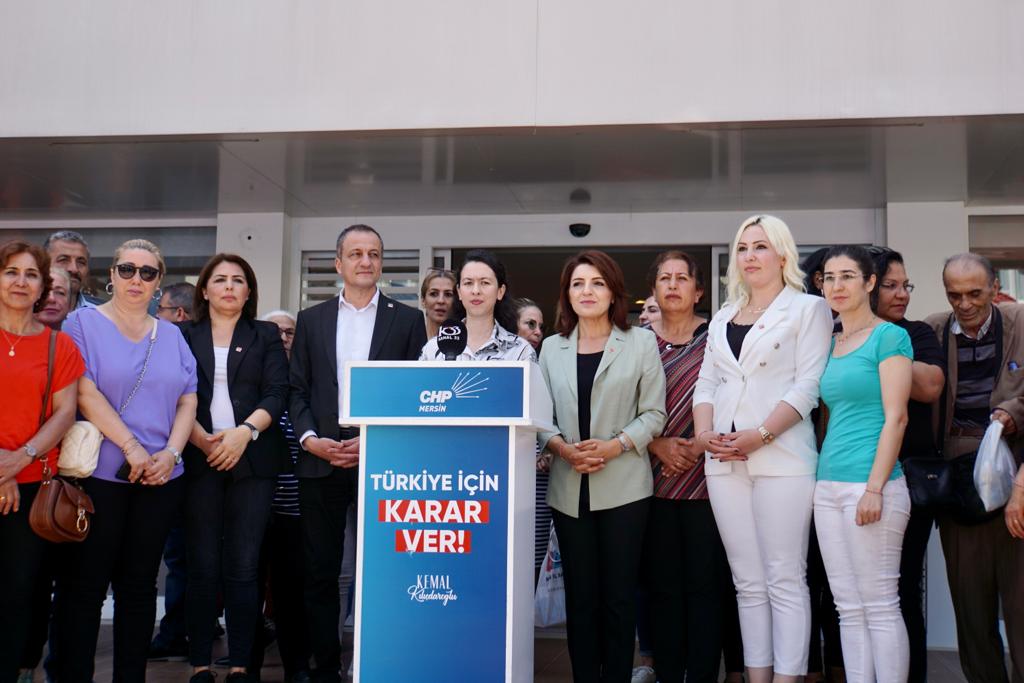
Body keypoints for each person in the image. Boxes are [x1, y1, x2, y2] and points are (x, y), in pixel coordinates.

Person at [693, 214, 833, 683]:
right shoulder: (722, 316)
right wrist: (704, 435)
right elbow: (707, 383)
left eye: (760, 246)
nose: (750, 256)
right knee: (747, 583)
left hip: (783, 458)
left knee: (785, 579)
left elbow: (808, 386)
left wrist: (761, 435)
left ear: (782, 254)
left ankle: (788, 678)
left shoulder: (808, 309)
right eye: (743, 248)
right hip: (723, 461)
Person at [55, 239, 198, 683]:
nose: (137, 279)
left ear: (159, 282)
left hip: (160, 478)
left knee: (139, 588)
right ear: (112, 274)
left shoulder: (172, 335)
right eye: (127, 269)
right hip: (98, 476)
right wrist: (132, 447)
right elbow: (84, 390)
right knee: (85, 587)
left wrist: (171, 453)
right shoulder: (81, 323)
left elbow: (188, 399)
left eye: (147, 272)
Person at [289, 224, 426, 683]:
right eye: (355, 253)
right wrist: (310, 439)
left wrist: (373, 439)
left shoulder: (407, 320)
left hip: (383, 459)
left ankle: (379, 661)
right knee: (320, 572)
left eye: (373, 254)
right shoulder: (311, 319)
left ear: (381, 263)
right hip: (320, 457)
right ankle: (325, 667)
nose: (365, 261)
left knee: (384, 569)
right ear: (338, 263)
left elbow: (412, 394)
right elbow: (297, 389)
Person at [538, 249, 667, 682]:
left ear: (613, 292)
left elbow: (654, 413)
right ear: (567, 294)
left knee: (618, 598)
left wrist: (615, 446)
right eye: (578, 284)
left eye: (597, 283)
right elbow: (540, 417)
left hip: (625, 488)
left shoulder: (640, 342)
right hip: (568, 486)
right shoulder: (551, 349)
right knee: (581, 599)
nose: (587, 291)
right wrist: (562, 448)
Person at [178, 254, 289, 683]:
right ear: (204, 290)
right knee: (202, 566)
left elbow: (277, 392)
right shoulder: (182, 335)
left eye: (238, 280)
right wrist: (200, 438)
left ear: (248, 291)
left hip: (253, 459)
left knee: (244, 566)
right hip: (199, 456)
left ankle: (241, 665)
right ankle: (200, 664)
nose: (229, 286)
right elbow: (174, 393)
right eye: (220, 279)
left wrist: (244, 433)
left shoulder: (265, 334)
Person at [814, 246, 914, 682]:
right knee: (848, 608)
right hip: (827, 484)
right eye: (829, 277)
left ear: (870, 283)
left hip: (874, 485)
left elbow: (897, 417)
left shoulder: (888, 337)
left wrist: (874, 488)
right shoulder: (830, 342)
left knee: (880, 605)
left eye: (847, 276)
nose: (836, 285)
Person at [925, 253, 1024, 683]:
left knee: (1020, 602)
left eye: (974, 293)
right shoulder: (933, 330)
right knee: (970, 603)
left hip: (1015, 465)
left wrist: (1013, 413)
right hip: (959, 479)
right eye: (954, 295)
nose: (964, 304)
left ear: (995, 288)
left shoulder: (1020, 321)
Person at [641, 250, 727, 683]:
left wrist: (696, 445)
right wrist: (655, 444)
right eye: (664, 278)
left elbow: (735, 397)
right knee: (662, 588)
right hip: (648, 480)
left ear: (699, 291)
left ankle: (703, 675)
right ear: (654, 289)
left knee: (705, 587)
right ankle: (669, 673)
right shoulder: (636, 341)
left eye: (682, 278)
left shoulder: (718, 337)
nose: (672, 285)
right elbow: (619, 406)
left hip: (708, 479)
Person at [0, 241, 84, 683]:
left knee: (21, 591)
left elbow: (65, 414)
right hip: (8, 477)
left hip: (34, 488)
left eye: (31, 274)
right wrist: (2, 471)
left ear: (42, 288)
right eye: (11, 272)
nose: (21, 282)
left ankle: (17, 670)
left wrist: (18, 461)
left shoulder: (59, 345)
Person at [870, 248, 945, 683]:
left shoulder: (917, 333)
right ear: (869, 287)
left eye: (906, 285)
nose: (902, 295)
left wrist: (876, 348)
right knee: (855, 593)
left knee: (902, 589)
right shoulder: (838, 334)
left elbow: (931, 385)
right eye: (891, 286)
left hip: (911, 479)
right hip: (850, 475)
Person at [251, 309, 312, 683]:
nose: (283, 338)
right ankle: (247, 665)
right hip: (253, 506)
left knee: (292, 592)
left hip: (295, 510)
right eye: (276, 332)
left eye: (290, 332)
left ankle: (297, 667)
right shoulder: (253, 380)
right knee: (249, 588)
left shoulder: (305, 384)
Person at [148, 280, 197, 662]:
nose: (157, 317)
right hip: (178, 463)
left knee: (180, 558)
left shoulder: (175, 345)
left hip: (182, 465)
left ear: (178, 314)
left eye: (161, 310)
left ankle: (175, 633)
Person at [420, 250, 534, 362]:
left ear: (500, 291)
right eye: (468, 283)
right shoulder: (433, 350)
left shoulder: (520, 351)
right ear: (459, 292)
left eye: (485, 283)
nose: (476, 291)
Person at [43, 230, 102, 311]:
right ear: (44, 265)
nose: (74, 269)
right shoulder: (29, 309)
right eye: (64, 260)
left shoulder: (102, 313)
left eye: (81, 262)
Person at [420, 267, 456, 339]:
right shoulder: (409, 340)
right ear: (423, 300)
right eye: (433, 294)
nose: (441, 301)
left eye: (448, 294)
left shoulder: (467, 342)